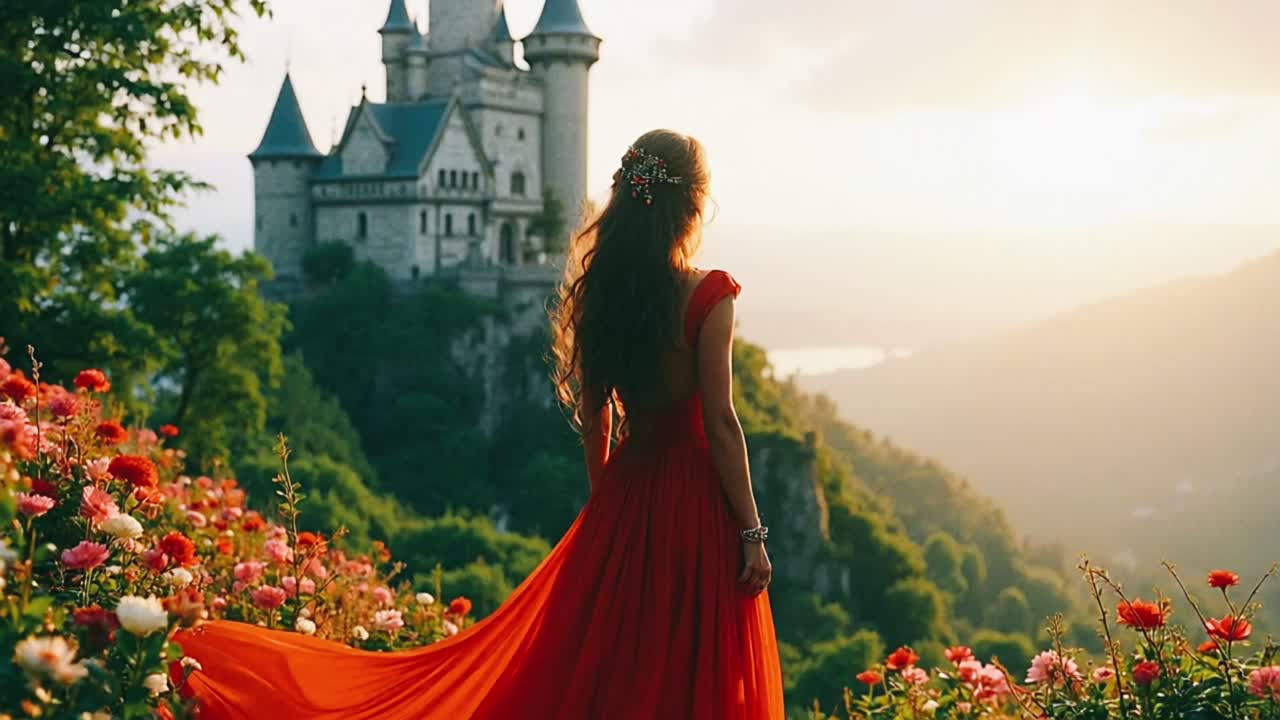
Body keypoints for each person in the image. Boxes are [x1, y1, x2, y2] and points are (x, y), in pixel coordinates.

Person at [174, 129, 785, 719]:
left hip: (628, 498)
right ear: (692, 205)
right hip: (696, 506)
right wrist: (752, 533)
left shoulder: (603, 294)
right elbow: (722, 423)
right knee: (689, 667)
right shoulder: (709, 296)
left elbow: (597, 420)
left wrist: (608, 512)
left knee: (613, 665)